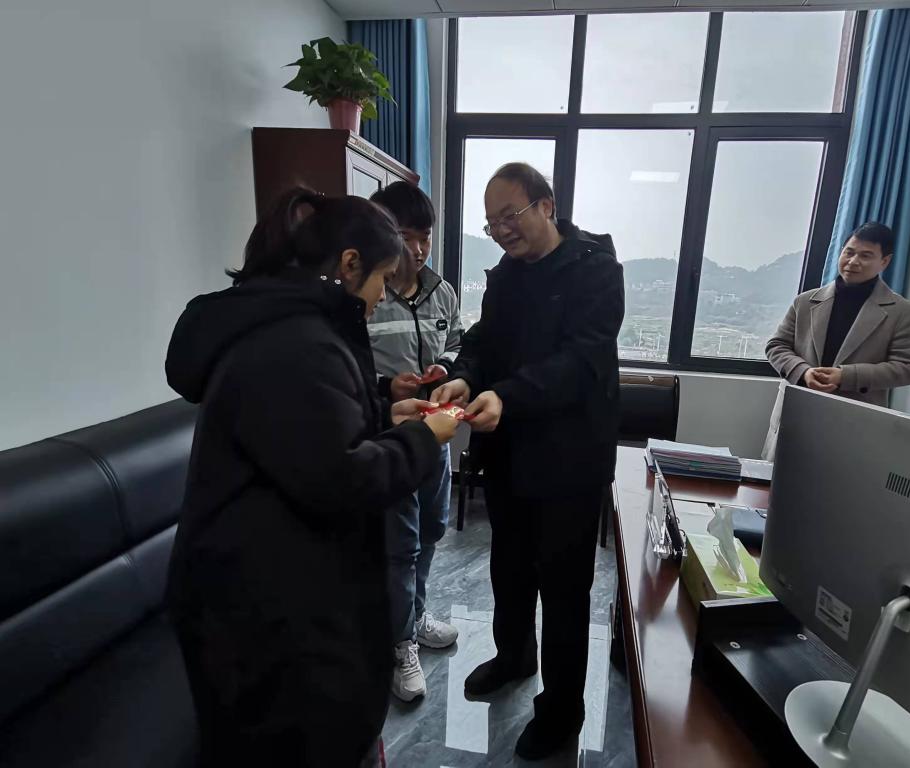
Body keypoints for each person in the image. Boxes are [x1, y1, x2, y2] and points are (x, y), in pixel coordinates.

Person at [164, 188, 459, 768]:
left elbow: (312, 435)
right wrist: (426, 437)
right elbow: (343, 479)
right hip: (267, 615)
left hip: (271, 593)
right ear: (349, 264)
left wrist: (385, 412)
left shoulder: (286, 328)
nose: (381, 296)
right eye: (381, 278)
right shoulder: (295, 343)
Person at [431, 162, 625, 760]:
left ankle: (562, 711)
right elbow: (484, 341)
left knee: (564, 590)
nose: (500, 231)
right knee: (509, 568)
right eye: (491, 223)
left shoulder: (596, 270)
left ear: (546, 206)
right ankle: (514, 656)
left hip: (570, 461)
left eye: (509, 216)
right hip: (509, 451)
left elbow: (580, 362)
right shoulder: (507, 275)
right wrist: (463, 376)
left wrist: (507, 396)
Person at [366, 181, 462, 702]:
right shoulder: (366, 295)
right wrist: (388, 387)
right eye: (408, 237)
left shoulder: (441, 290)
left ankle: (416, 616)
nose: (419, 249)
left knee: (430, 530)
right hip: (390, 440)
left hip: (437, 434)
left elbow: (459, 343)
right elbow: (349, 372)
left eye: (425, 236)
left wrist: (445, 366)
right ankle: (400, 642)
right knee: (400, 545)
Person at [766, 221, 910, 407]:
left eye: (865, 256)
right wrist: (803, 372)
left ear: (885, 261)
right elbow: (776, 346)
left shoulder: (901, 311)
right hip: (797, 406)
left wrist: (847, 376)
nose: (853, 261)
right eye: (849, 252)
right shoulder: (805, 301)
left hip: (856, 413)